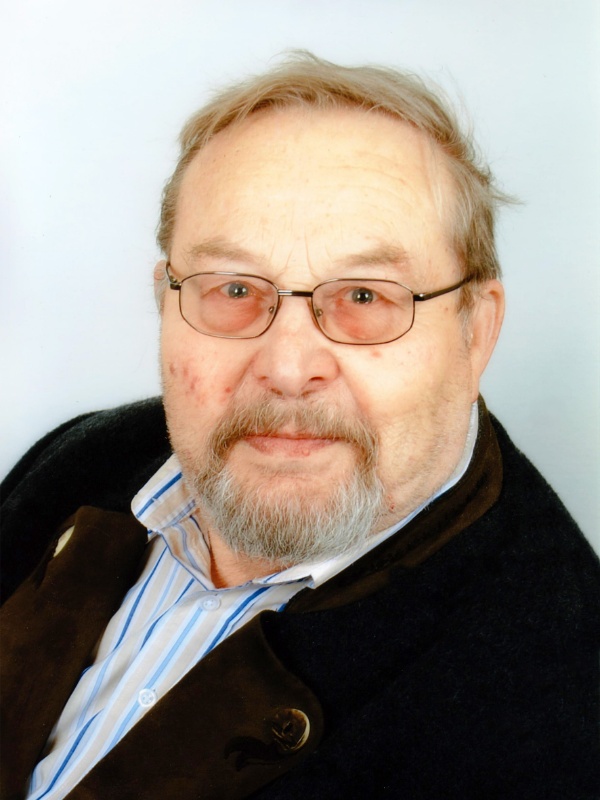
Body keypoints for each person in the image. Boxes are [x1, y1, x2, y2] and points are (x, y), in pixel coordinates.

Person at [1, 52, 598, 800]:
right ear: (167, 301)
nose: (287, 367)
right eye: (235, 288)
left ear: (475, 331)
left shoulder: (557, 716)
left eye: (364, 296)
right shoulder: (77, 463)